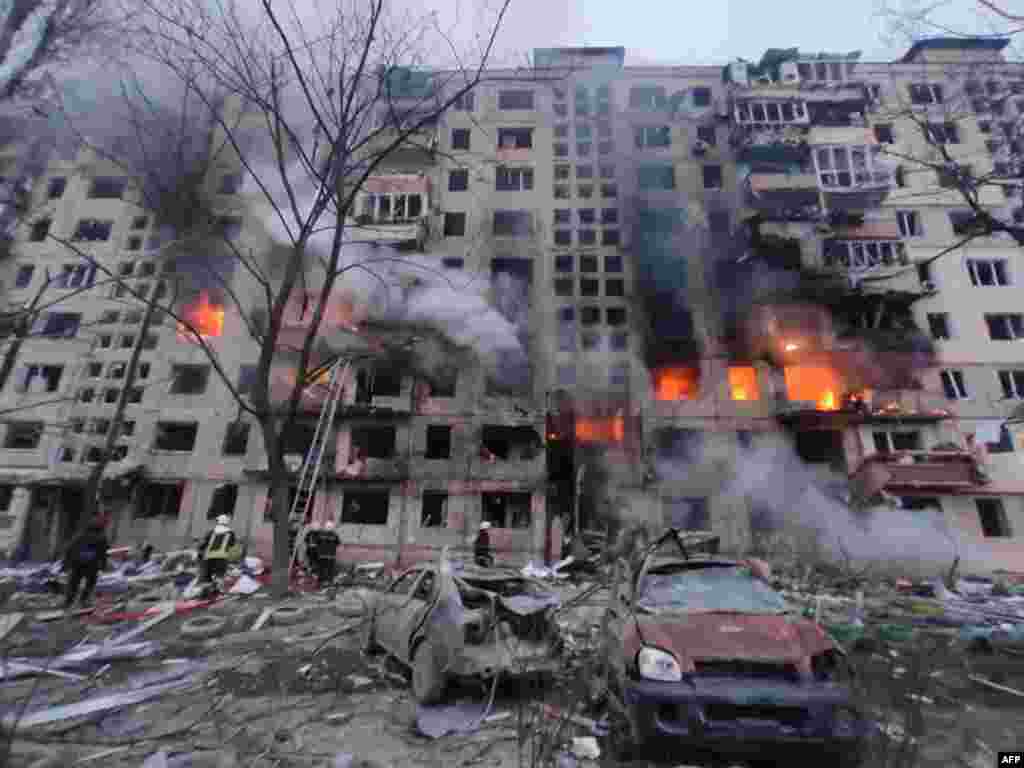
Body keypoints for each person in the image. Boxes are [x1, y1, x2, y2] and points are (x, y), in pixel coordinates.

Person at [63, 519, 109, 609]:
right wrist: (103, 566)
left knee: (73, 583)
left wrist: (66, 564)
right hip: (92, 566)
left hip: (78, 564)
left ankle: (68, 602)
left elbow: (69, 549)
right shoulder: (101, 538)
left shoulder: (79, 536)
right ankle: (83, 600)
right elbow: (103, 554)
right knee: (90, 583)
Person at [197, 515, 240, 583]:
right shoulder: (230, 533)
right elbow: (232, 544)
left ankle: (205, 589)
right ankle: (216, 590)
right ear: (226, 523)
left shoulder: (211, 532)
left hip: (209, 558)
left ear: (218, 521)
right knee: (219, 578)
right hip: (221, 558)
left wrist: (199, 554)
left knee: (206, 579)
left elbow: (202, 545)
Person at [307, 520, 340, 587]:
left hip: (321, 555)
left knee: (321, 568)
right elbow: (338, 543)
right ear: (332, 528)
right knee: (330, 569)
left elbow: (316, 543)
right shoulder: (335, 535)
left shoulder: (320, 535)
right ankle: (329, 581)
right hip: (331, 556)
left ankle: (320, 582)